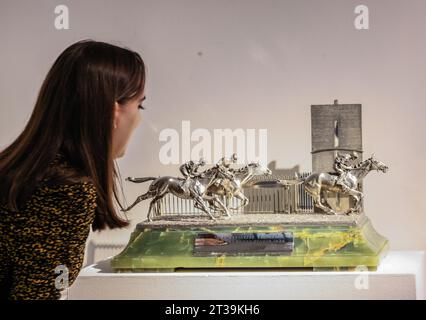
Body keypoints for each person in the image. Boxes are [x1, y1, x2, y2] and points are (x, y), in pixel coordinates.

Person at [0, 40, 146, 299]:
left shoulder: (24, 171)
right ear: (114, 112)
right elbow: (38, 294)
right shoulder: (67, 189)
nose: (139, 118)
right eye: (139, 105)